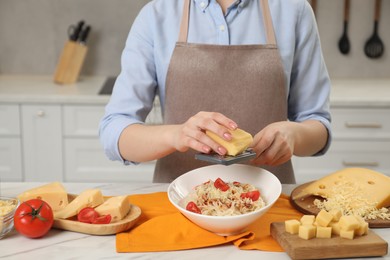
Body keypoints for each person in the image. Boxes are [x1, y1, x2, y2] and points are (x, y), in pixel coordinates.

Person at [99, 0, 331, 184]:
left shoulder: (295, 11)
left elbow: (318, 126)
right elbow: (114, 131)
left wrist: (295, 134)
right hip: (179, 205)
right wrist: (177, 135)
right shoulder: (155, 16)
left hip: (268, 205)